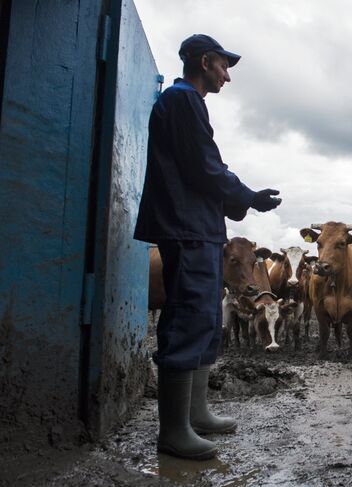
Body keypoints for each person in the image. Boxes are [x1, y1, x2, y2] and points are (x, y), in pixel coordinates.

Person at [134, 34, 282, 460]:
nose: (227, 76)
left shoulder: (185, 103)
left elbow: (203, 169)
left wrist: (234, 203)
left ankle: (195, 414)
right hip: (186, 228)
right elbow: (205, 166)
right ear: (204, 61)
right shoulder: (182, 100)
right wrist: (247, 197)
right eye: (223, 66)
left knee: (202, 318)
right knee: (186, 317)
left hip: (199, 227)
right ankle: (174, 430)